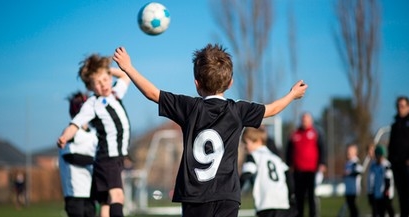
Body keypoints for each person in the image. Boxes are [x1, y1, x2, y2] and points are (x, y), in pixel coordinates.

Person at [112, 43, 307, 217]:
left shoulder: (189, 107)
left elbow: (152, 93)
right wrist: (292, 95)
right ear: (230, 83)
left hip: (194, 195)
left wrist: (128, 67)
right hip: (227, 195)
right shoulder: (238, 110)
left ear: (197, 83)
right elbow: (272, 109)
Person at [57, 54, 131, 217]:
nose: (103, 85)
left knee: (105, 202)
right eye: (97, 83)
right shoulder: (92, 104)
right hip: (108, 158)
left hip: (112, 158)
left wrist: (107, 71)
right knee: (117, 196)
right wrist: (65, 137)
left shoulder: (115, 93)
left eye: (105, 79)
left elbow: (126, 75)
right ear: (90, 87)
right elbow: (76, 123)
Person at [240, 127, 298, 217]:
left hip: (266, 203)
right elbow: (288, 174)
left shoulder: (253, 156)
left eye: (246, 142)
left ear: (258, 141)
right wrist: (292, 195)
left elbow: (245, 175)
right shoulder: (276, 158)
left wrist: (236, 193)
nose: (244, 146)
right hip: (283, 202)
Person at [59, 91, 98, 217]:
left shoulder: (94, 132)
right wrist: (94, 161)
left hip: (90, 190)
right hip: (74, 190)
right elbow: (70, 156)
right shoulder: (69, 132)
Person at [285, 112, 326, 217]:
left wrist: (322, 163)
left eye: (307, 120)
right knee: (299, 197)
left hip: (311, 171)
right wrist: (289, 165)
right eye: (303, 120)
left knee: (311, 197)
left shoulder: (316, 133)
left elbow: (322, 149)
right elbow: (289, 151)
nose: (305, 122)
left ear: (311, 121)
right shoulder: (295, 134)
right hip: (298, 171)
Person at [388, 96, 409, 217]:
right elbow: (391, 145)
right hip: (397, 165)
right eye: (398, 106)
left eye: (402, 106)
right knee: (401, 196)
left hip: (407, 165)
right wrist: (392, 160)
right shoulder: (395, 125)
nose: (400, 109)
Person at [370, 145, 395, 217]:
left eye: (379, 156)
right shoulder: (374, 165)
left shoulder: (386, 165)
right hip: (378, 192)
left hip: (386, 193)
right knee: (379, 212)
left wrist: (386, 189)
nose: (378, 158)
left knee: (389, 210)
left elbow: (388, 178)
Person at [343, 143, 363, 217]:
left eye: (350, 151)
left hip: (354, 190)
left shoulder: (355, 162)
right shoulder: (347, 163)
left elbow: (359, 171)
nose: (348, 152)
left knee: (354, 208)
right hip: (348, 189)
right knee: (351, 208)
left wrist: (350, 173)